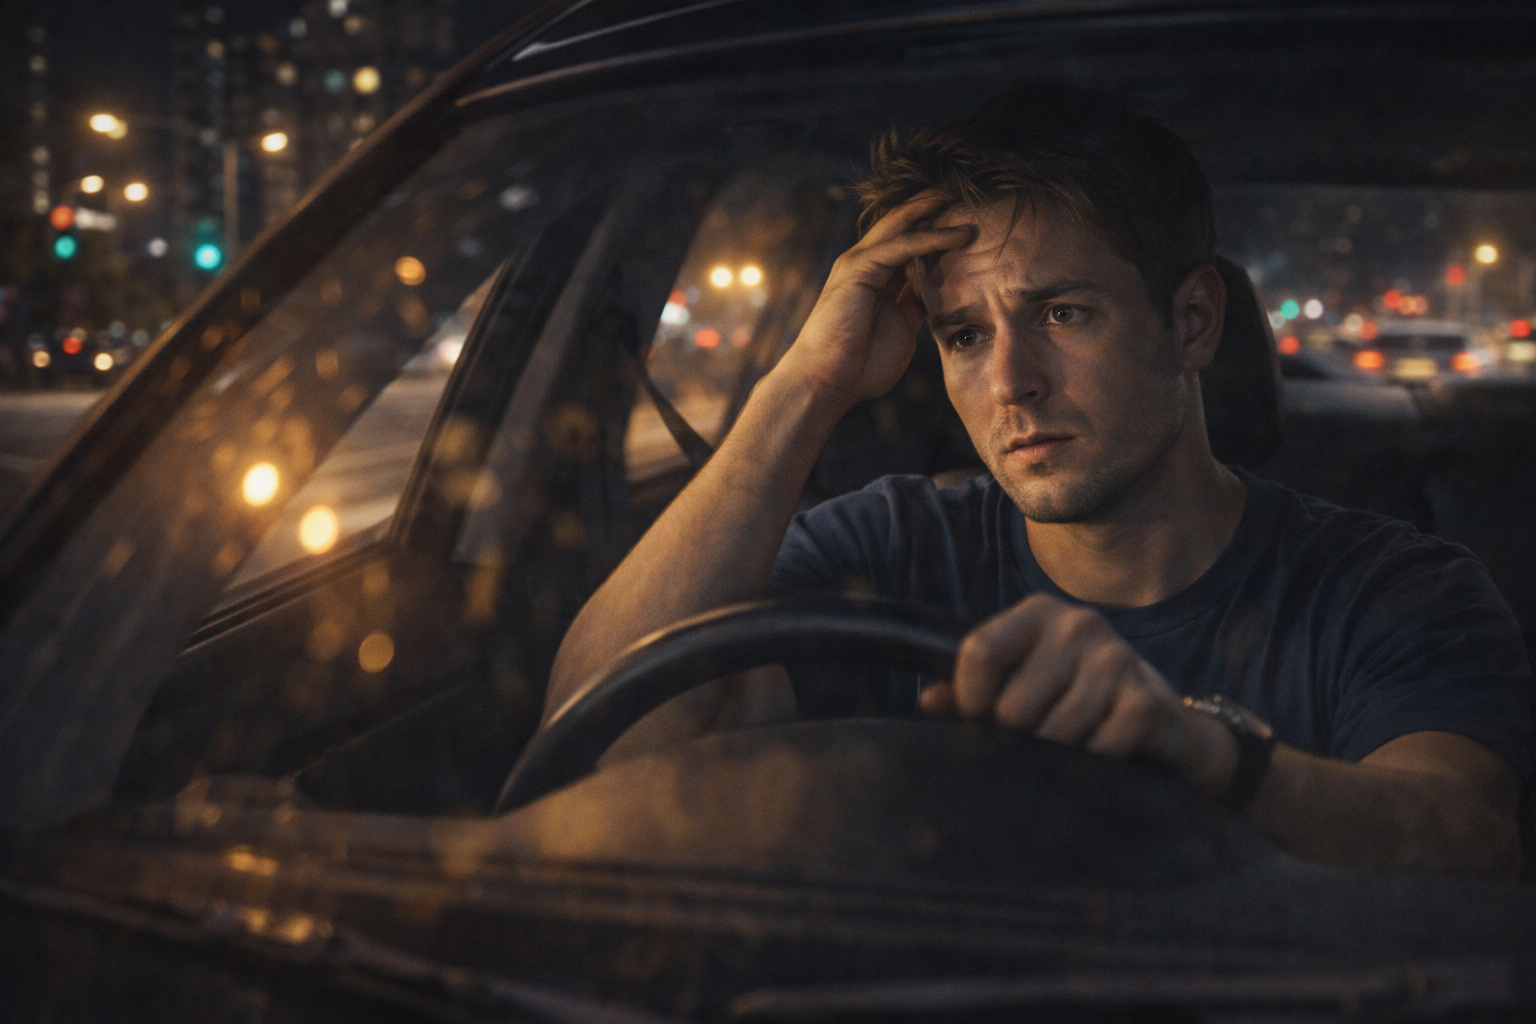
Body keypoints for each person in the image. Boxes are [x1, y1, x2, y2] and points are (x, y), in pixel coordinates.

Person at [547, 83, 1530, 879]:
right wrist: (806, 383)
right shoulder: (884, 547)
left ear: (1191, 322)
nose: (1011, 382)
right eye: (964, 335)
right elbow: (596, 733)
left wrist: (1203, 753)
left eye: (1062, 314)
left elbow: (1472, 845)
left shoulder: (1394, 589)